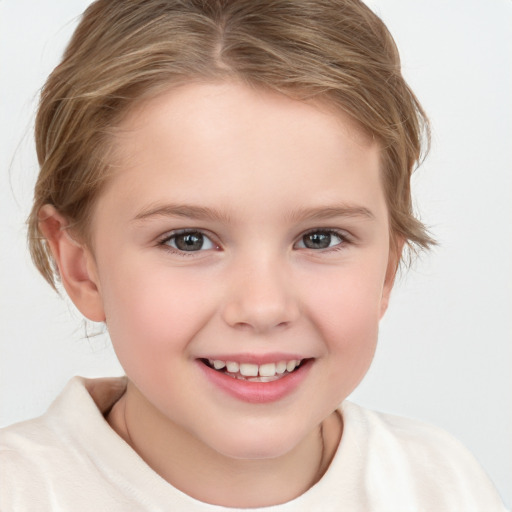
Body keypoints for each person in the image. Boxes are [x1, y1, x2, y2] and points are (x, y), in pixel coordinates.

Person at [0, 0, 508, 510]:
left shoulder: (440, 485)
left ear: (387, 270)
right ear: (81, 266)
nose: (263, 308)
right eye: (188, 240)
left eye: (320, 238)